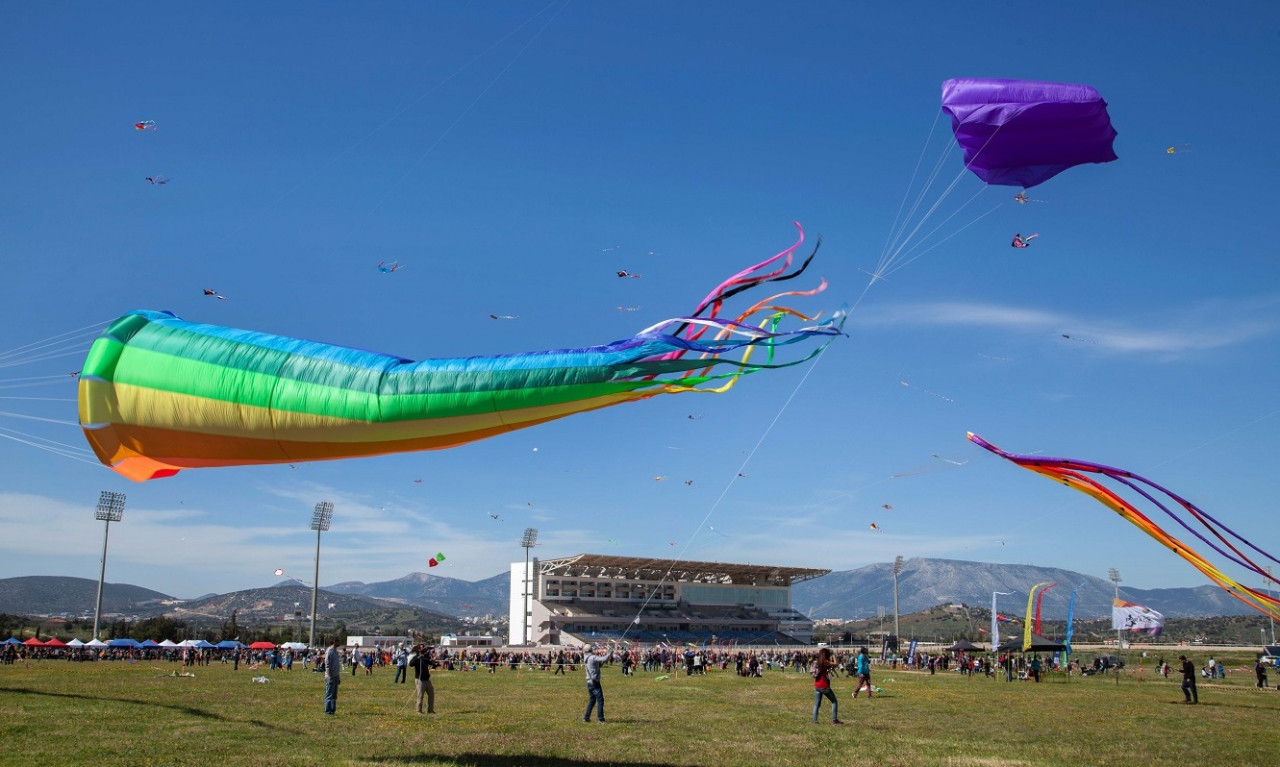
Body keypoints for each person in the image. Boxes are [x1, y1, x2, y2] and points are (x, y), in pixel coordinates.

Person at [810, 646, 842, 724]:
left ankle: (814, 721)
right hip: (824, 685)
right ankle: (834, 720)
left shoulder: (818, 661)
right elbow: (835, 664)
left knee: (816, 704)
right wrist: (833, 656)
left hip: (817, 685)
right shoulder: (824, 661)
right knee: (834, 701)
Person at [583, 642, 610, 722]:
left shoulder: (586, 658)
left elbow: (597, 665)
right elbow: (604, 659)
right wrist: (610, 652)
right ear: (591, 650)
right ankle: (601, 719)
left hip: (589, 682)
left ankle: (586, 717)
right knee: (600, 700)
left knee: (592, 700)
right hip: (595, 682)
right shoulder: (592, 657)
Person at [409, 644, 436, 714]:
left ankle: (430, 710)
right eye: (422, 647)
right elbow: (411, 664)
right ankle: (419, 711)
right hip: (420, 680)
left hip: (427, 679)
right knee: (420, 696)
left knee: (431, 694)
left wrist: (433, 662)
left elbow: (431, 663)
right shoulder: (416, 657)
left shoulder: (425, 656)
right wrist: (418, 658)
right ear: (419, 649)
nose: (424, 648)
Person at [323, 638, 342, 715]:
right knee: (329, 694)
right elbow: (327, 666)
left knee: (334, 695)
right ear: (334, 642)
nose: (339, 643)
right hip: (330, 676)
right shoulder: (329, 651)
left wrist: (338, 676)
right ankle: (328, 711)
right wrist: (330, 677)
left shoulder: (335, 651)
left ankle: (332, 710)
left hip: (335, 676)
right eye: (338, 641)